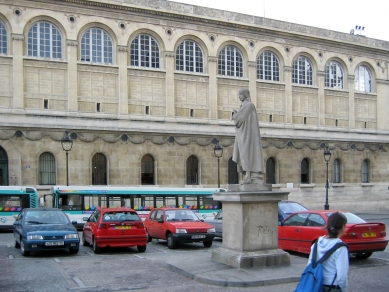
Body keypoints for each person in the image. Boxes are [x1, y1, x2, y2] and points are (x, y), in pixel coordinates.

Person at [307, 212, 349, 292]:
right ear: (343, 226)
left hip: (317, 285)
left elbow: (310, 265)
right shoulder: (340, 247)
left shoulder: (317, 243)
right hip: (333, 286)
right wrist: (343, 289)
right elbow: (342, 276)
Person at [232, 88, 264, 184]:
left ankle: (249, 176)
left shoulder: (249, 105)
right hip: (243, 134)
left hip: (248, 136)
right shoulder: (244, 105)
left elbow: (240, 119)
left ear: (245, 95)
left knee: (247, 153)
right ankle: (247, 175)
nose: (239, 96)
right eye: (239, 94)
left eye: (241, 94)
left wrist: (234, 115)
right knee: (244, 154)